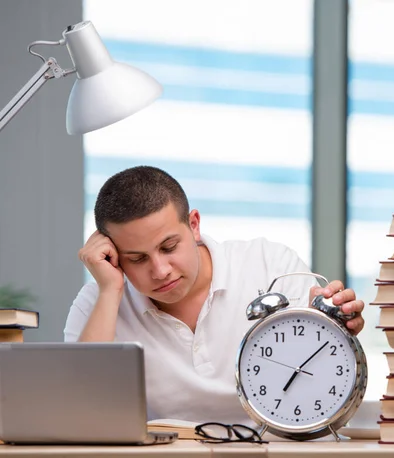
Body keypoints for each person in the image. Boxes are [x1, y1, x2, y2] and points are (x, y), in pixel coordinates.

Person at [64, 165, 365, 425]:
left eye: (169, 247)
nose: (160, 270)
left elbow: (321, 386)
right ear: (114, 254)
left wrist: (331, 331)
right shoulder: (99, 300)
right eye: (137, 259)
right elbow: (80, 411)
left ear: (193, 225)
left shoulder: (269, 264)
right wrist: (110, 290)